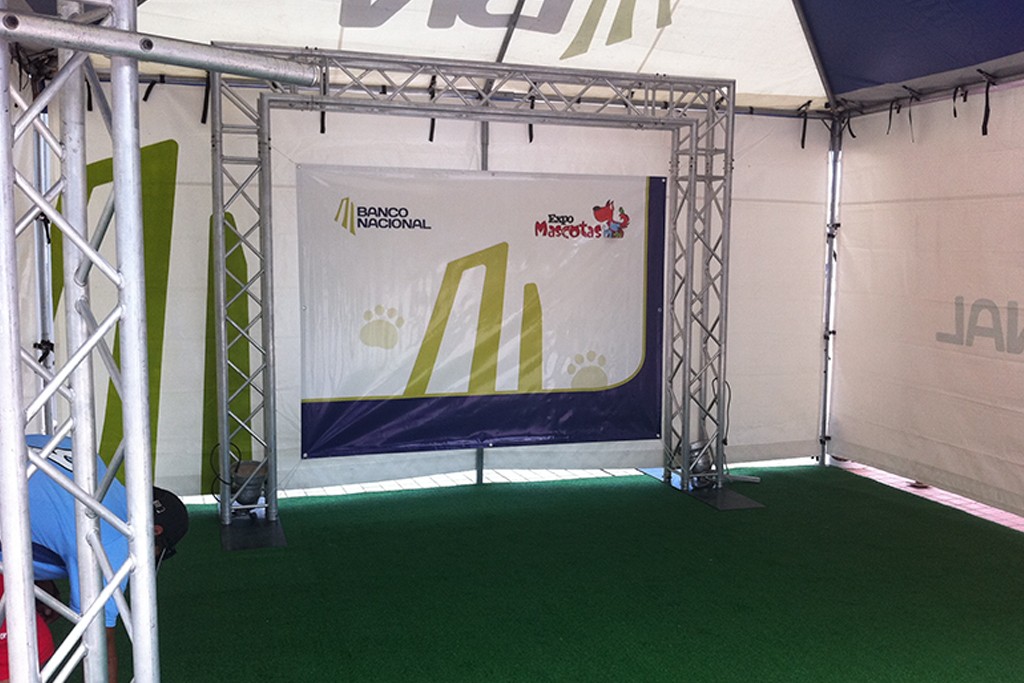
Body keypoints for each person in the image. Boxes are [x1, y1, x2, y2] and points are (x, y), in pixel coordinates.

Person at [0, 435, 189, 682]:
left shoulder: (93, 464)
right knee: (29, 647)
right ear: (155, 532)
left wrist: (38, 579)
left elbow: (43, 504)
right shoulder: (112, 541)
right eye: (158, 551)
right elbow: (100, 642)